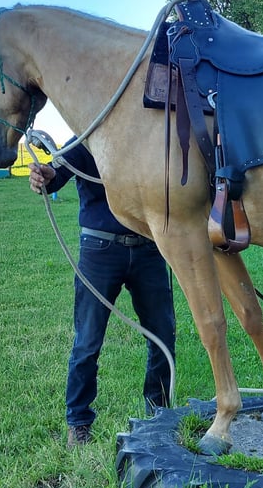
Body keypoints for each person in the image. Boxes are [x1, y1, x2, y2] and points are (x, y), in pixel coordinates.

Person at [28, 139, 176, 448]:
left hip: (150, 249)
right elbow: (56, 173)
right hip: (99, 251)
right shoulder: (85, 136)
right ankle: (78, 422)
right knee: (88, 341)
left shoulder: (144, 132)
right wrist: (43, 175)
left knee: (163, 335)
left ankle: (158, 412)